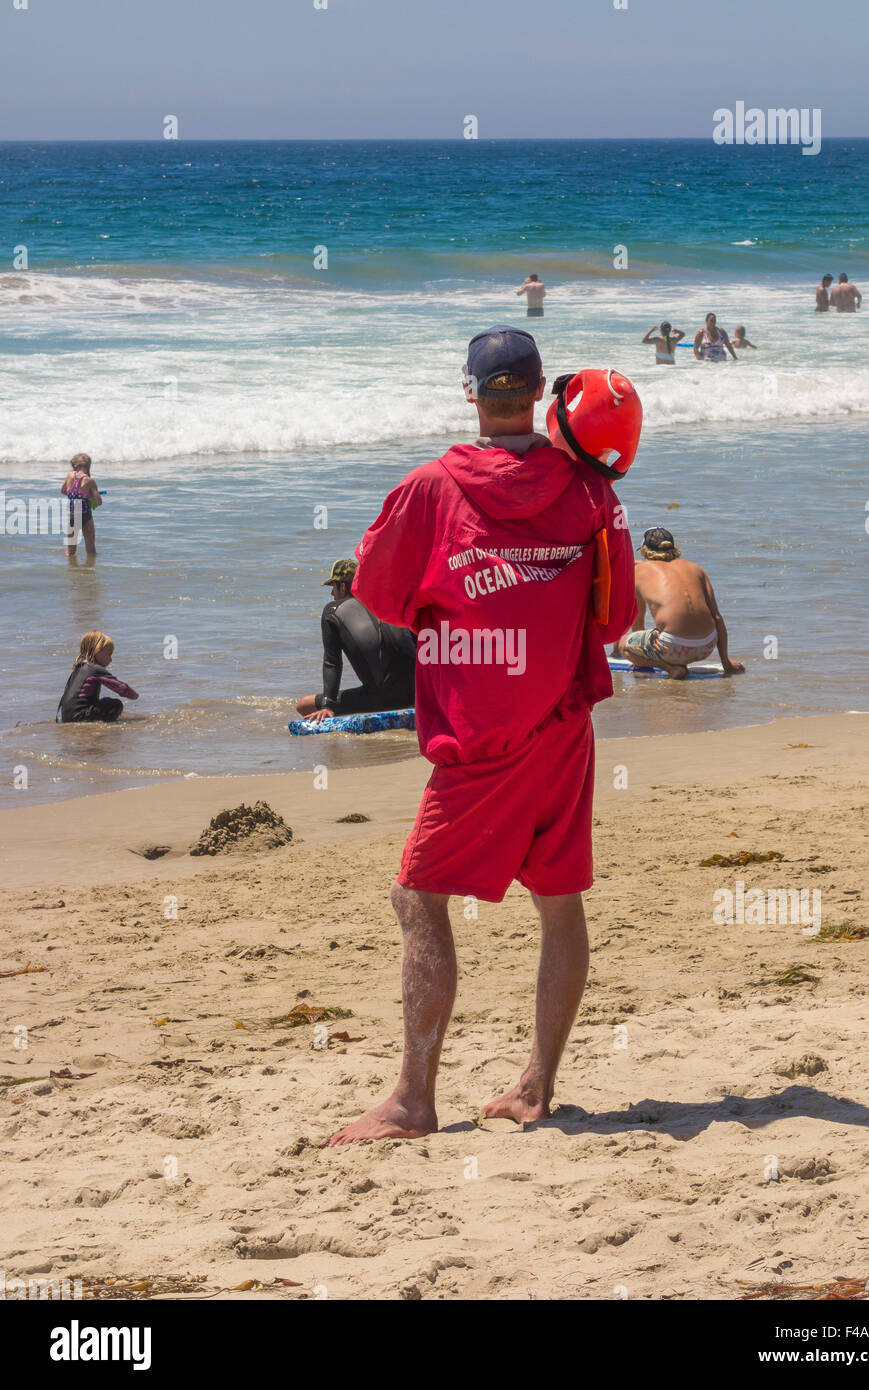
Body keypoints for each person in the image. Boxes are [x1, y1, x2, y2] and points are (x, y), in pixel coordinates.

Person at [328, 326, 639, 1145]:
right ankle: (536, 1088)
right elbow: (614, 619)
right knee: (559, 901)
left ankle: (412, 1101)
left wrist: (467, 595)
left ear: (470, 392)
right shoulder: (588, 491)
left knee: (416, 896)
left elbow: (380, 597)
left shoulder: (432, 488)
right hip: (564, 725)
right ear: (539, 394)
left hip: (480, 735)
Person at [613, 528, 744, 680]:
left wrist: (639, 657)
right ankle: (681, 660)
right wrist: (726, 663)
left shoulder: (638, 571)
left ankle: (672, 668)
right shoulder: (696, 568)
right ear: (674, 549)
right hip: (707, 646)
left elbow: (637, 621)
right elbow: (717, 618)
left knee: (624, 645)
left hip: (673, 649)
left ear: (644, 551)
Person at [295, 559, 417, 721]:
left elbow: (332, 662)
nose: (332, 594)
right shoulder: (392, 601)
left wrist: (327, 706)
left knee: (304, 705)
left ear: (343, 587)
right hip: (419, 693)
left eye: (333, 587)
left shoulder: (333, 610)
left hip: (381, 697)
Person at [57, 631, 139, 722]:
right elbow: (122, 688)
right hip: (80, 716)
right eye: (109, 654)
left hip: (67, 717)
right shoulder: (95, 669)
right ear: (97, 650)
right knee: (115, 704)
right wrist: (135, 695)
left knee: (104, 701)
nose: (111, 659)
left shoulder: (78, 669)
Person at [60, 453, 102, 557]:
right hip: (85, 515)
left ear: (75, 466)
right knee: (91, 550)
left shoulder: (70, 476)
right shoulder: (89, 481)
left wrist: (76, 496)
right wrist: (90, 497)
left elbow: (64, 491)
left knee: (70, 551)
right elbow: (98, 502)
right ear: (88, 466)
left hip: (73, 515)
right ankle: (89, 570)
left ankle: (70, 570)